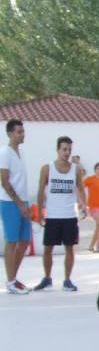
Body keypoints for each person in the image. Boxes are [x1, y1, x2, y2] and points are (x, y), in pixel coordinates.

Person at [33, 136, 87, 292]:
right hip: (52, 215)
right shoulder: (47, 168)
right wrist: (39, 212)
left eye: (69, 149)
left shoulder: (76, 170)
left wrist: (84, 205)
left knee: (69, 248)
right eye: (64, 149)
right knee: (48, 248)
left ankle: (67, 280)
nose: (67, 152)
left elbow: (81, 189)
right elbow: (40, 190)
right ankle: (47, 278)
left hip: (69, 215)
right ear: (57, 150)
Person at [0, 119, 31, 294]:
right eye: (19, 131)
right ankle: (11, 282)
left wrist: (25, 203)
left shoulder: (21, 152)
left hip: (23, 202)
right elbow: (4, 182)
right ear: (10, 133)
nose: (22, 134)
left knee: (24, 240)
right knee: (11, 241)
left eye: (23, 131)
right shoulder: (4, 153)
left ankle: (13, 277)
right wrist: (19, 203)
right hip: (10, 203)